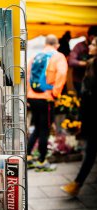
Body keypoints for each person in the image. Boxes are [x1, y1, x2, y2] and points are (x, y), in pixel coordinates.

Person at [61, 36, 97, 196]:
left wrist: (83, 119)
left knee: (90, 151)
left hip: (92, 115)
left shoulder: (94, 64)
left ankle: (77, 184)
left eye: (94, 44)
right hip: (90, 114)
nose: (90, 46)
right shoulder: (91, 63)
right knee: (90, 151)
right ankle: (77, 184)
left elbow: (89, 95)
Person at [27, 34, 68, 169]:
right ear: (57, 45)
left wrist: (28, 94)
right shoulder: (58, 56)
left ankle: (27, 157)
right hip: (46, 98)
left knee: (37, 127)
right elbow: (62, 74)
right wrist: (55, 93)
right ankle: (42, 161)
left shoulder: (34, 56)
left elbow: (27, 75)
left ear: (46, 44)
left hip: (32, 97)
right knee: (44, 129)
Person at [68, 25, 97, 97]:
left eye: (94, 44)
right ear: (89, 36)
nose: (90, 46)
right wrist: (86, 63)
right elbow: (71, 61)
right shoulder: (79, 46)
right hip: (79, 80)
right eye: (92, 38)